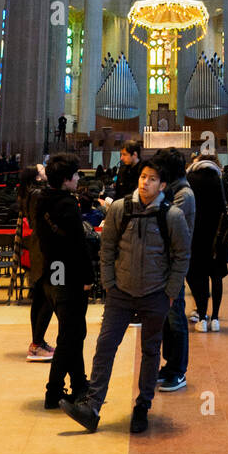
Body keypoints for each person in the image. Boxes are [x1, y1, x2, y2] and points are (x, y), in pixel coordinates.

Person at [60, 159, 190, 434]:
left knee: (151, 350)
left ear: (163, 185)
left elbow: (181, 257)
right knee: (105, 347)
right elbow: (106, 249)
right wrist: (108, 283)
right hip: (120, 292)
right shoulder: (120, 209)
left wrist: (170, 291)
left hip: (155, 293)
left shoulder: (172, 216)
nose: (145, 182)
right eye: (143, 177)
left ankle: (143, 405)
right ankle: (92, 406)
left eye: (152, 179)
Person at [37, 154, 94, 407]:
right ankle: (54, 392)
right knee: (70, 335)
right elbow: (77, 245)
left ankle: (80, 383)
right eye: (76, 175)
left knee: (72, 333)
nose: (79, 178)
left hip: (51, 272)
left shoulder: (40, 200)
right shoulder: (68, 204)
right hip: (69, 276)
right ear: (66, 179)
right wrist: (88, 277)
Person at [158, 149, 195, 391]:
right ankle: (169, 365)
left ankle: (178, 370)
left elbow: (164, 221)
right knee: (167, 319)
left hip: (175, 263)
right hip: (164, 262)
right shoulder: (173, 190)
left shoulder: (183, 194)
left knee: (177, 317)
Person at [186, 152, 228, 332]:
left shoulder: (190, 178)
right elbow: (223, 207)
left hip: (197, 234)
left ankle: (202, 317)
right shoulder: (218, 178)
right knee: (217, 277)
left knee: (199, 276)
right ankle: (216, 318)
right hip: (217, 236)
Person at [17, 164, 54, 362]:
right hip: (42, 251)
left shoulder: (29, 192)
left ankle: (37, 341)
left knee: (40, 297)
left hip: (36, 249)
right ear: (38, 178)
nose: (45, 169)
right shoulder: (38, 195)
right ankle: (37, 344)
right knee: (47, 298)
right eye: (42, 169)